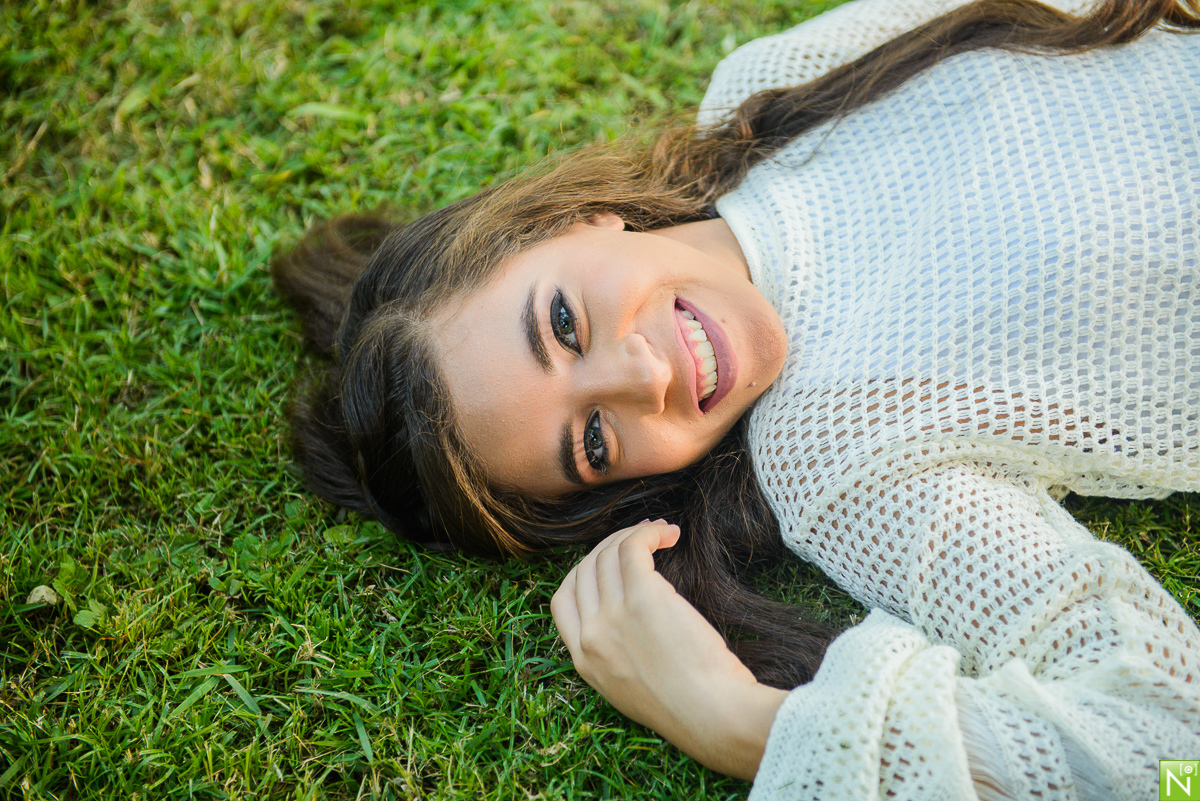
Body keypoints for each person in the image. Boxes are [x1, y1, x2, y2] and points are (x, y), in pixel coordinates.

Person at [271, 0, 1200, 797]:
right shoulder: (840, 458)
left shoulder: (768, 91)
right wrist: (741, 721)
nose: (644, 377)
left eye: (563, 322)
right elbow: (1172, 757)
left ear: (571, 220)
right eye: (593, 441)